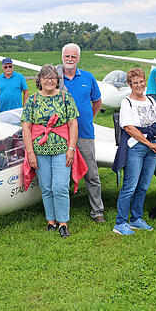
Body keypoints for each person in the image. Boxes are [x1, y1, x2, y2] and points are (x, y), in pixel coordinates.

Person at [21, 64, 80, 238]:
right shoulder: (32, 100)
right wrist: (30, 153)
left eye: (53, 78)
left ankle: (63, 223)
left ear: (57, 80)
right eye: (46, 78)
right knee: (46, 187)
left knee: (60, 186)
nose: (49, 81)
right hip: (39, 150)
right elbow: (26, 127)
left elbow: (73, 124)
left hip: (62, 149)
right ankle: (51, 221)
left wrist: (71, 148)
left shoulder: (65, 97)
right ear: (40, 80)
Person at [111, 67, 156, 236]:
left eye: (142, 81)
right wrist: (149, 144)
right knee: (130, 185)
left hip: (152, 147)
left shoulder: (151, 101)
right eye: (135, 83)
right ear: (130, 84)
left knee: (143, 185)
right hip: (136, 147)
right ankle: (120, 222)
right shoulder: (127, 103)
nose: (139, 85)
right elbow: (129, 128)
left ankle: (136, 218)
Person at [59, 43, 104, 222]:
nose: (70, 60)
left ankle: (97, 211)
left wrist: (86, 117)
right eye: (67, 56)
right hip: (61, 135)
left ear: (78, 58)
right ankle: (62, 212)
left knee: (92, 174)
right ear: (62, 57)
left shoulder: (88, 77)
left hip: (85, 133)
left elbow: (97, 102)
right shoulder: (55, 78)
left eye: (73, 57)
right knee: (62, 175)